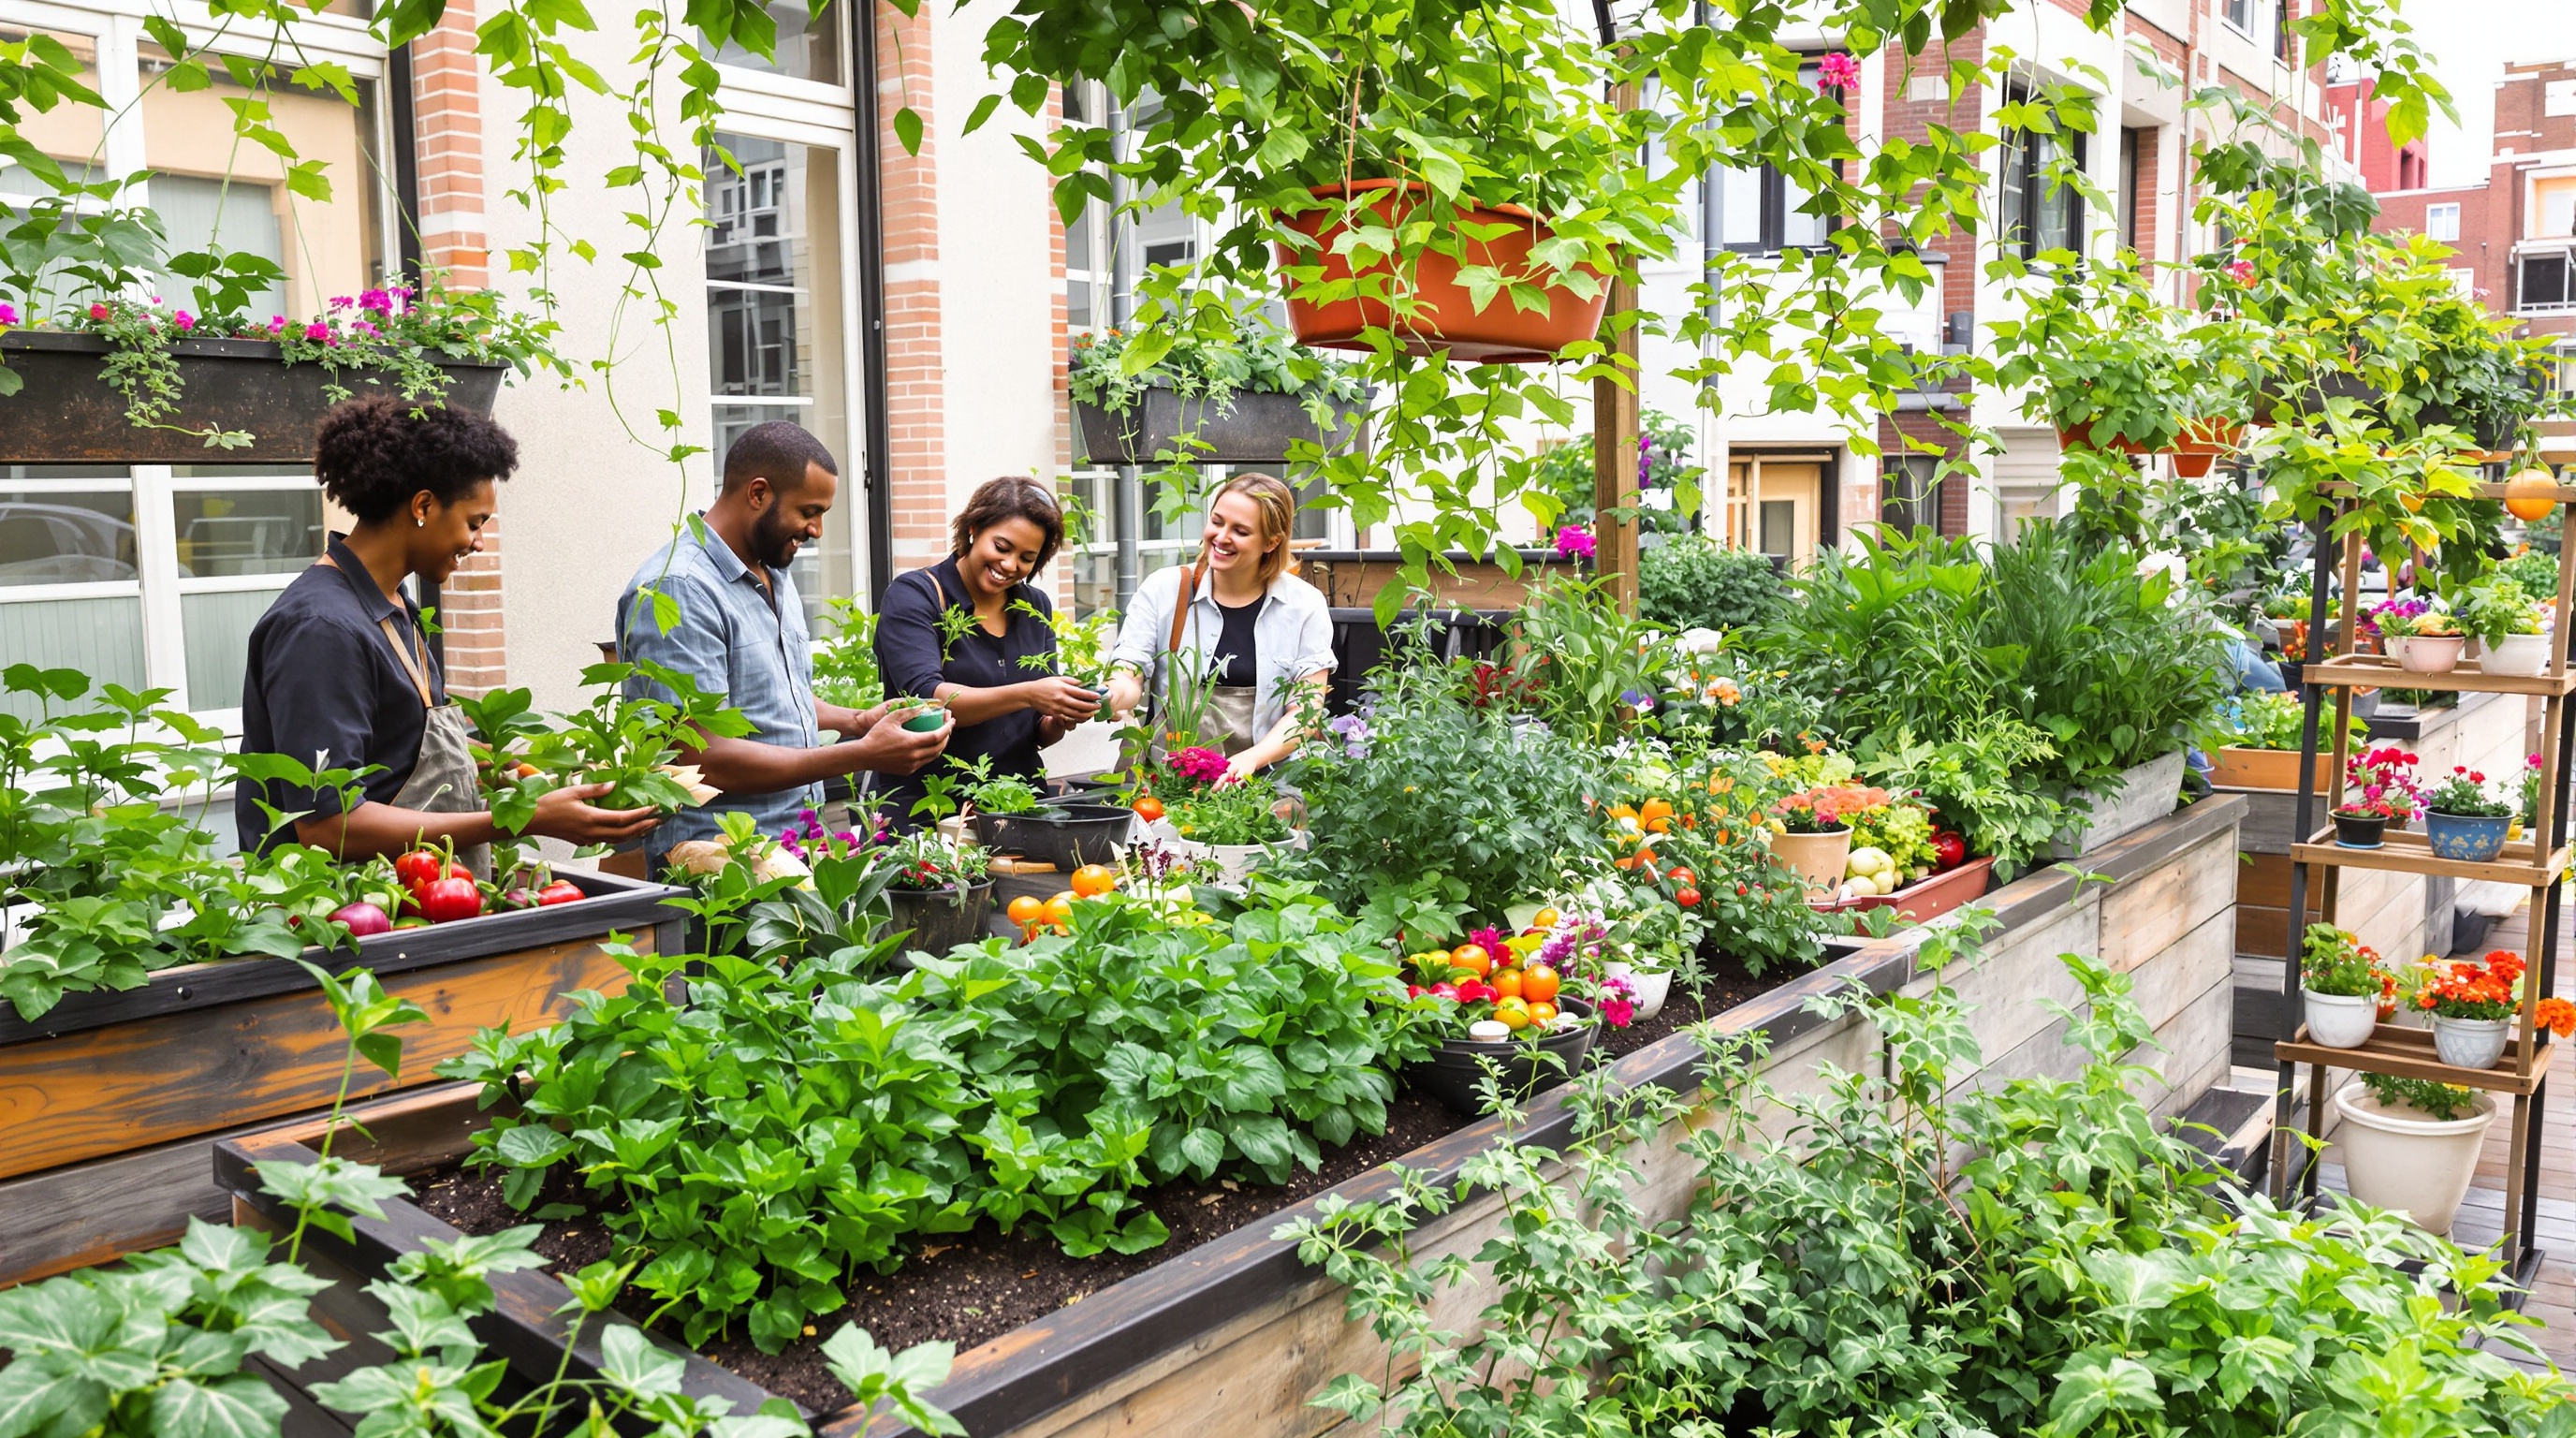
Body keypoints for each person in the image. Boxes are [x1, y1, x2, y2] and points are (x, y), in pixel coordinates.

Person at [236, 396, 659, 868]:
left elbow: (407, 752)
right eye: (474, 523)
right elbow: (328, 826)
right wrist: (524, 819)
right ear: (423, 506)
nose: (477, 542)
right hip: (343, 922)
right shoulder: (320, 628)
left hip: (411, 905)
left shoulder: (393, 608)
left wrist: (535, 777)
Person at [617, 421, 952, 866]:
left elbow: (772, 696)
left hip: (792, 844)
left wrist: (858, 720)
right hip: (718, 860)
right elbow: (702, 759)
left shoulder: (772, 569)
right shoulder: (681, 589)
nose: (816, 530)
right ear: (758, 493)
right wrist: (861, 755)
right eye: (809, 511)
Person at [873, 476, 1098, 824]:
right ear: (974, 529)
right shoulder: (916, 596)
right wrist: (1030, 694)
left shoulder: (1034, 605)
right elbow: (927, 699)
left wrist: (1059, 716)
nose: (1010, 566)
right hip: (928, 807)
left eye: (1027, 557)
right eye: (1002, 547)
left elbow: (1036, 730)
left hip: (1017, 803)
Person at [1104, 472, 1336, 781]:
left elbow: (1305, 711)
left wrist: (1251, 759)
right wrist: (1112, 695)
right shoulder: (1165, 589)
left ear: (1271, 542)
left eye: (1240, 531)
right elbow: (1131, 671)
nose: (1221, 536)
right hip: (1167, 782)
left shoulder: (1304, 605)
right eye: (1217, 521)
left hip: (1265, 784)